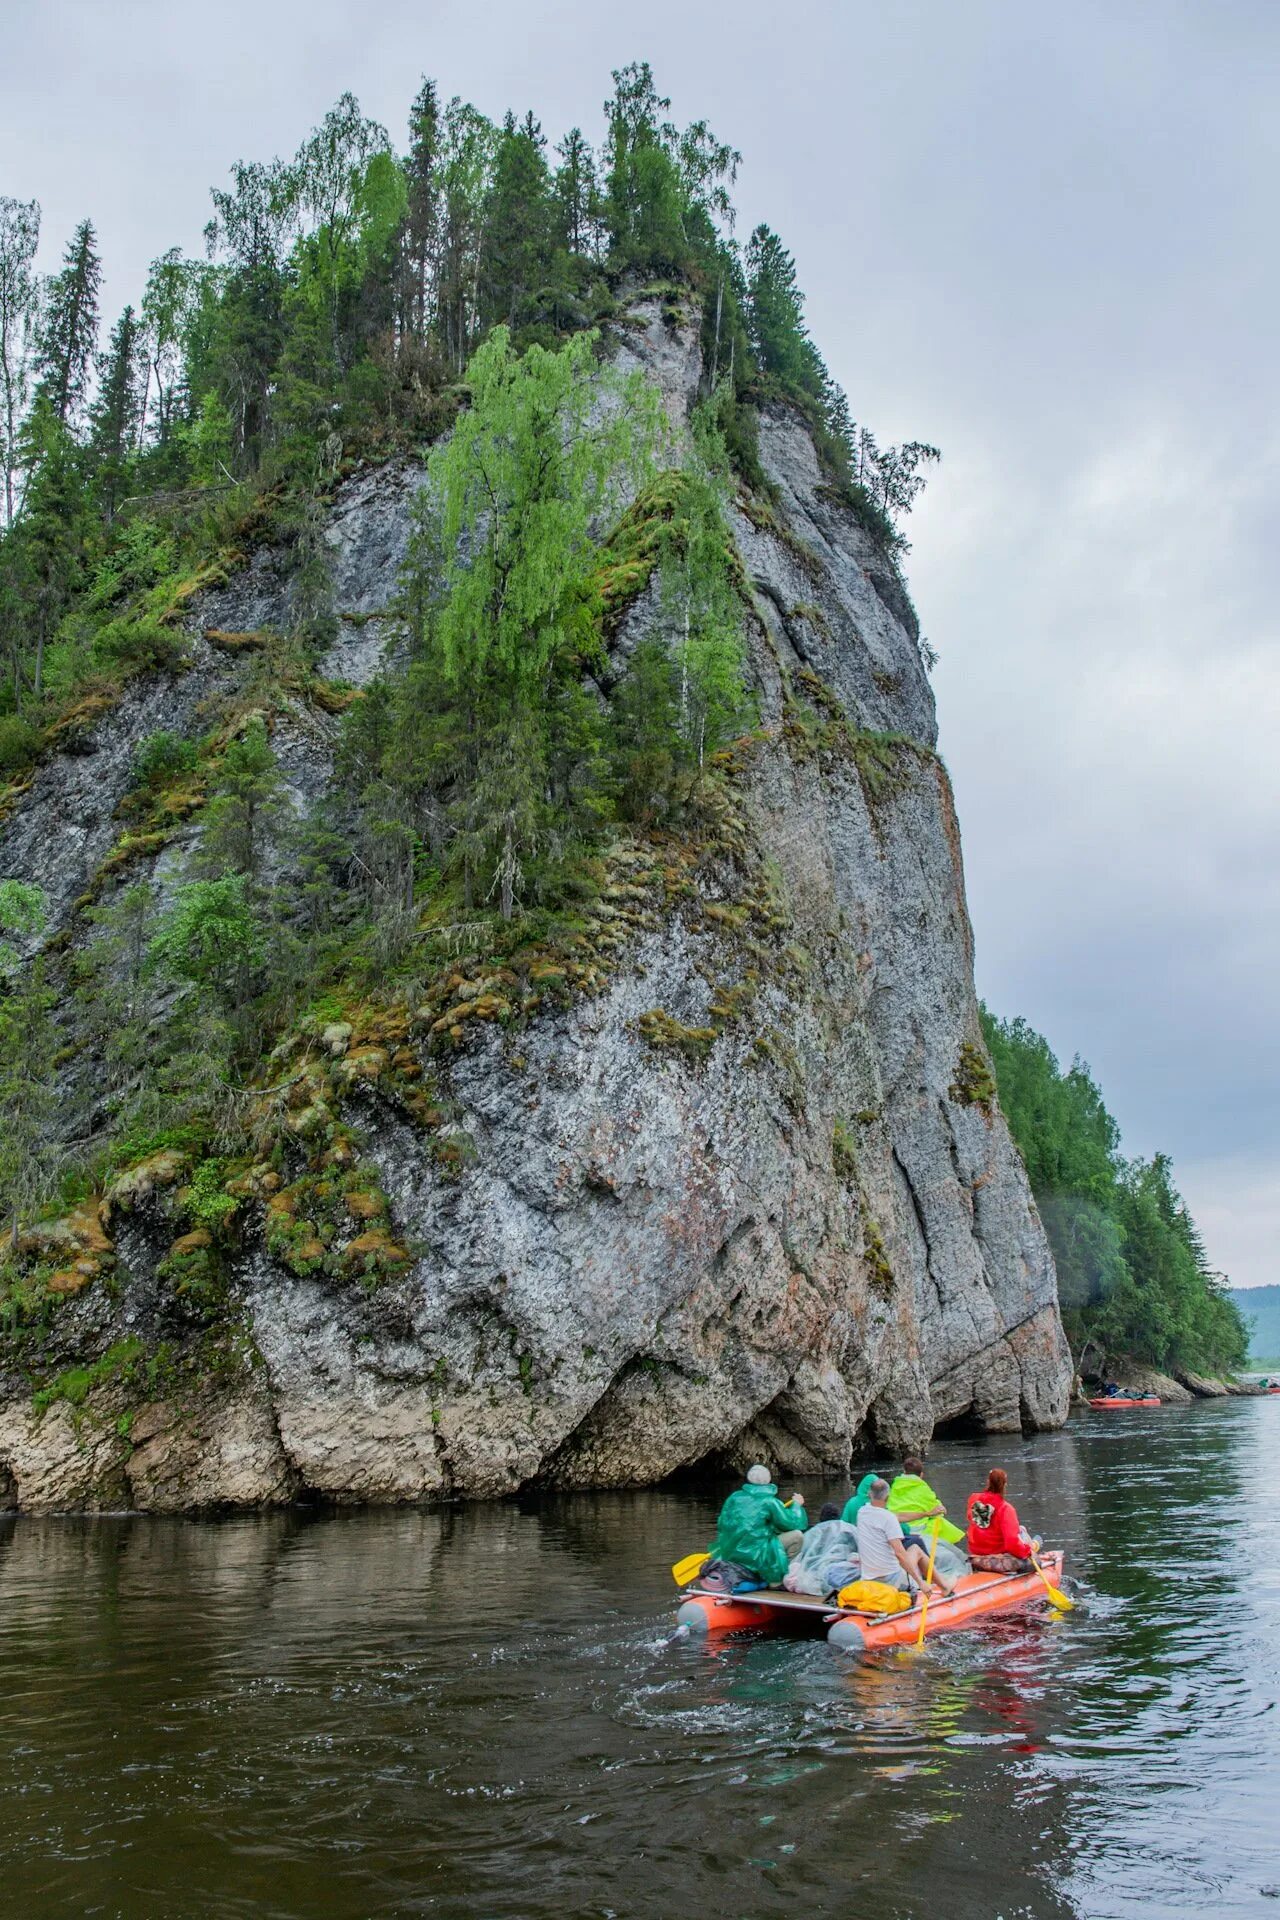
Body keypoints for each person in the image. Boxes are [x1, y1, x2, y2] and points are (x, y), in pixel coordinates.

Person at [709, 1465, 808, 1587]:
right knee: (797, 1536)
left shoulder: (734, 1497)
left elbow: (722, 1524)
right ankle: (777, 1579)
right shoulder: (770, 1501)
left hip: (731, 1553)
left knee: (770, 1538)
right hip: (756, 1555)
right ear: (768, 1480)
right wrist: (797, 1505)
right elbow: (791, 1523)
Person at [856, 1478, 954, 1596]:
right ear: (888, 1497)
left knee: (909, 1550)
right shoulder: (888, 1518)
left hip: (868, 1578)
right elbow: (900, 1553)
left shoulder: (862, 1512)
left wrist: (927, 1513)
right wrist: (920, 1583)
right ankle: (944, 1586)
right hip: (890, 1579)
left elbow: (899, 1516)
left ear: (869, 1494)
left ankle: (937, 1581)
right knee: (916, 1549)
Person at [966, 1467, 1040, 1574]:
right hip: (997, 1554)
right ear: (1005, 1485)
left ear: (988, 1482)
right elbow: (1012, 1542)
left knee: (1021, 1529)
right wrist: (1026, 1552)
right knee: (1035, 1561)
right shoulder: (1005, 1509)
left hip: (976, 1552)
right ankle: (1033, 1545)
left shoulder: (973, 1500)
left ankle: (1033, 1544)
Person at [887, 1455, 967, 1549]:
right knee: (940, 1522)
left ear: (904, 1471)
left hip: (898, 1526)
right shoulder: (923, 1489)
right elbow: (936, 1509)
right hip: (917, 1528)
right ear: (921, 1475)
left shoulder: (895, 1486)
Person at [783, 1502, 859, 1596]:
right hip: (838, 1575)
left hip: (817, 1575)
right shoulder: (848, 1529)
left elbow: (803, 1553)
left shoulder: (814, 1531)